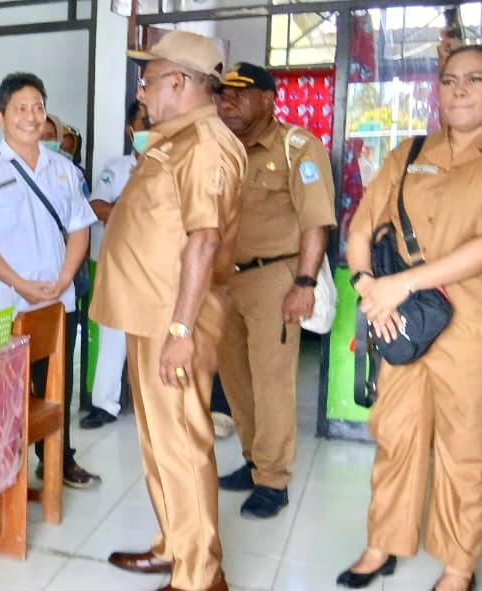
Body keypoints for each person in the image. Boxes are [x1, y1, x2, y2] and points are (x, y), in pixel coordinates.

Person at [92, 31, 245, 591]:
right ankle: (175, 546)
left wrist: (180, 329)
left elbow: (204, 240)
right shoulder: (174, 140)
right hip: (151, 315)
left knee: (181, 443)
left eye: (148, 79)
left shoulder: (204, 144)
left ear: (179, 81)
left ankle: (200, 576)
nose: (142, 90)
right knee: (158, 442)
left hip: (175, 320)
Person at [337, 45, 482, 591]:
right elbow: (360, 228)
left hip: (469, 325)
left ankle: (458, 565)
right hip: (401, 320)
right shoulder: (409, 152)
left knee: (464, 446)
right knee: (395, 433)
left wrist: (402, 284)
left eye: (475, 79)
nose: (460, 90)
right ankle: (383, 543)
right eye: (450, 80)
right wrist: (367, 287)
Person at [0, 72, 101, 489]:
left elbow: (80, 229)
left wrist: (64, 278)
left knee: (57, 386)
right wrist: (19, 283)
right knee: (2, 390)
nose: (32, 116)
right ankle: (2, 465)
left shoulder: (63, 169)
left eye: (38, 107)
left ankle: (57, 459)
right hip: (4, 303)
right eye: (21, 108)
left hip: (56, 301)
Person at [213, 62, 336, 519]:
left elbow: (316, 221)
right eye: (223, 94)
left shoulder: (297, 147)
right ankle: (253, 460)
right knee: (235, 380)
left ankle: (273, 479)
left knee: (271, 382)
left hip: (274, 278)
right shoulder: (221, 149)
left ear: (268, 99)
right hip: (224, 280)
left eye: (239, 94)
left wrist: (304, 283)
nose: (227, 102)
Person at [80, 100, 147, 430]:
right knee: (112, 335)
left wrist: (123, 211)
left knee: (155, 337)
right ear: (130, 129)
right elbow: (96, 207)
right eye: (144, 124)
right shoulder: (116, 168)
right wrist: (130, 211)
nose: (151, 131)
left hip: (157, 267)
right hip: (118, 264)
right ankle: (104, 403)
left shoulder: (174, 166)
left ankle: (154, 406)